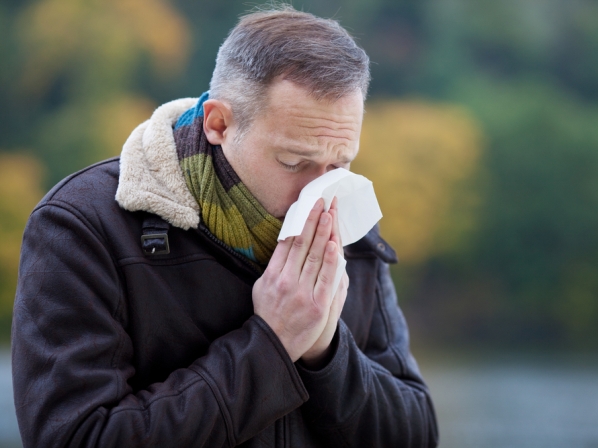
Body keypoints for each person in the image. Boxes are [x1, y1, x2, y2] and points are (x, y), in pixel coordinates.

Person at [12, 6, 438, 447]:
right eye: (294, 162)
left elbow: (416, 434)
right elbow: (77, 438)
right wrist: (272, 344)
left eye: (340, 163)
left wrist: (326, 352)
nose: (320, 193)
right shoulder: (83, 226)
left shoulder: (347, 226)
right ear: (219, 124)